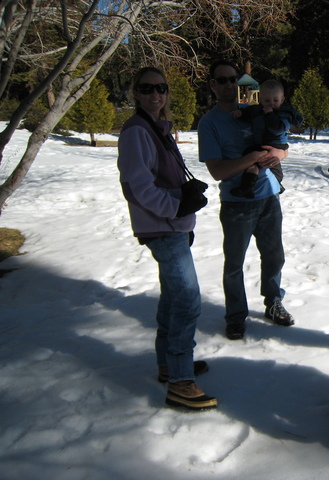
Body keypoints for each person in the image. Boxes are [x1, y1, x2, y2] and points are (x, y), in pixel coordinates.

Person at [117, 67, 217, 411]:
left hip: (172, 226)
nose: (155, 94)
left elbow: (160, 178)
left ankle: (169, 365)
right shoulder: (137, 131)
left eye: (161, 88)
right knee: (187, 300)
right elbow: (137, 187)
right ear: (135, 93)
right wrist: (176, 205)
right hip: (163, 227)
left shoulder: (156, 128)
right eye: (147, 88)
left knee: (173, 299)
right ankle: (180, 382)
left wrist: (184, 196)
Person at [198, 59, 294, 341]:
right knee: (235, 264)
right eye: (223, 80)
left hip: (268, 195)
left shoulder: (254, 111)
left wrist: (280, 154)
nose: (230, 85)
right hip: (237, 203)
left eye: (233, 79)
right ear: (213, 85)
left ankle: (273, 302)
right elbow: (217, 171)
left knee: (274, 255)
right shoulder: (209, 123)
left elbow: (281, 142)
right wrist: (251, 158)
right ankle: (236, 316)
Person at [230, 79, 303, 198]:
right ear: (261, 100)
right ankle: (247, 187)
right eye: (267, 100)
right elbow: (249, 112)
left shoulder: (284, 113)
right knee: (251, 164)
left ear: (282, 100)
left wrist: (270, 115)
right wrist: (241, 114)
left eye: (275, 100)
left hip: (276, 144)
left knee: (272, 164)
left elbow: (278, 129)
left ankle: (277, 184)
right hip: (259, 144)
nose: (271, 104)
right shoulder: (257, 110)